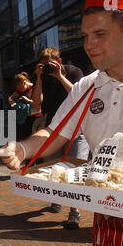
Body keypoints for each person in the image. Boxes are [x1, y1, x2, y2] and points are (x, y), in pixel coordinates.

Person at [0, 0, 123, 246]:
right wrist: (22, 150)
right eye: (86, 35)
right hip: (106, 214)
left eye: (100, 35)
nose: (89, 44)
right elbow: (54, 133)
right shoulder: (85, 86)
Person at [31, 47, 88, 228]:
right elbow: (36, 103)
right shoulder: (42, 77)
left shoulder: (73, 71)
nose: (48, 67)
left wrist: (59, 76)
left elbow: (80, 95)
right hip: (53, 130)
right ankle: (57, 197)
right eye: (44, 64)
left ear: (59, 61)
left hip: (77, 129)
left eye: (51, 63)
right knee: (53, 168)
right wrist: (39, 77)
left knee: (75, 170)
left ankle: (74, 212)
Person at [7, 72, 41, 141]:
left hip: (35, 118)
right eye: (17, 88)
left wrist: (27, 100)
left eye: (20, 87)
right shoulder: (18, 91)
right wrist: (11, 101)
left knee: (33, 140)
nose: (19, 90)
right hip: (24, 119)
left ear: (24, 83)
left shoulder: (35, 88)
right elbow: (12, 103)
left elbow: (38, 104)